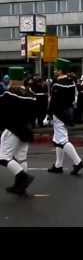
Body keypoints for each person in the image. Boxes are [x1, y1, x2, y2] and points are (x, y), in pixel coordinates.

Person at [46, 58, 83, 175]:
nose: (54, 71)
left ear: (60, 70)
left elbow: (53, 102)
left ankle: (78, 162)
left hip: (59, 113)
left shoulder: (57, 84)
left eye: (56, 69)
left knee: (62, 140)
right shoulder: (71, 82)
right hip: (68, 111)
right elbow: (73, 98)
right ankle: (58, 165)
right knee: (58, 139)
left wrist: (48, 114)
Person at [0, 67, 36, 195]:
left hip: (13, 129)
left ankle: (23, 177)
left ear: (12, 79)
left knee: (3, 157)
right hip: (27, 129)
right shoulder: (31, 94)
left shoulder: (9, 94)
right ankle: (20, 186)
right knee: (21, 159)